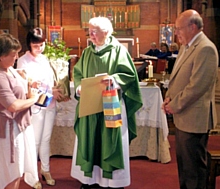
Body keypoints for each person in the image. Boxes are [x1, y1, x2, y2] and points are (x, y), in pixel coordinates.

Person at [71, 17, 142, 189]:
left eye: (95, 32)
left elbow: (129, 75)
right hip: (90, 106)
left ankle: (112, 182)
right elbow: (78, 73)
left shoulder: (119, 51)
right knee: (90, 139)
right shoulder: (88, 52)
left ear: (107, 32)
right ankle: (90, 181)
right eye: (89, 31)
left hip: (111, 105)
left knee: (110, 141)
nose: (91, 35)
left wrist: (115, 80)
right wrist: (80, 87)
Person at [162, 9, 218, 189]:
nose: (176, 32)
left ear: (192, 27)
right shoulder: (188, 46)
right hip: (183, 117)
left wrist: (174, 106)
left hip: (194, 118)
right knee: (185, 167)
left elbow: (197, 87)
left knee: (194, 169)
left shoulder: (205, 48)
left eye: (178, 28)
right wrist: (168, 98)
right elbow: (177, 78)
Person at [0, 33, 43, 189]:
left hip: (20, 126)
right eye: (13, 54)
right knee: (10, 173)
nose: (17, 57)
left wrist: (29, 81)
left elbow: (21, 79)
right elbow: (14, 106)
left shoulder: (8, 69)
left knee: (19, 170)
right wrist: (34, 99)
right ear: (1, 56)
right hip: (9, 130)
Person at [17, 27, 63, 186]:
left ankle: (45, 169)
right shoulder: (23, 60)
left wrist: (55, 88)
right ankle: (32, 175)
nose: (39, 48)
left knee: (46, 139)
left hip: (49, 103)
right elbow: (23, 84)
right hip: (35, 104)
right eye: (36, 45)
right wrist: (39, 85)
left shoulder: (44, 59)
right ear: (29, 44)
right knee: (34, 141)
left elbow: (50, 80)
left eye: (42, 45)